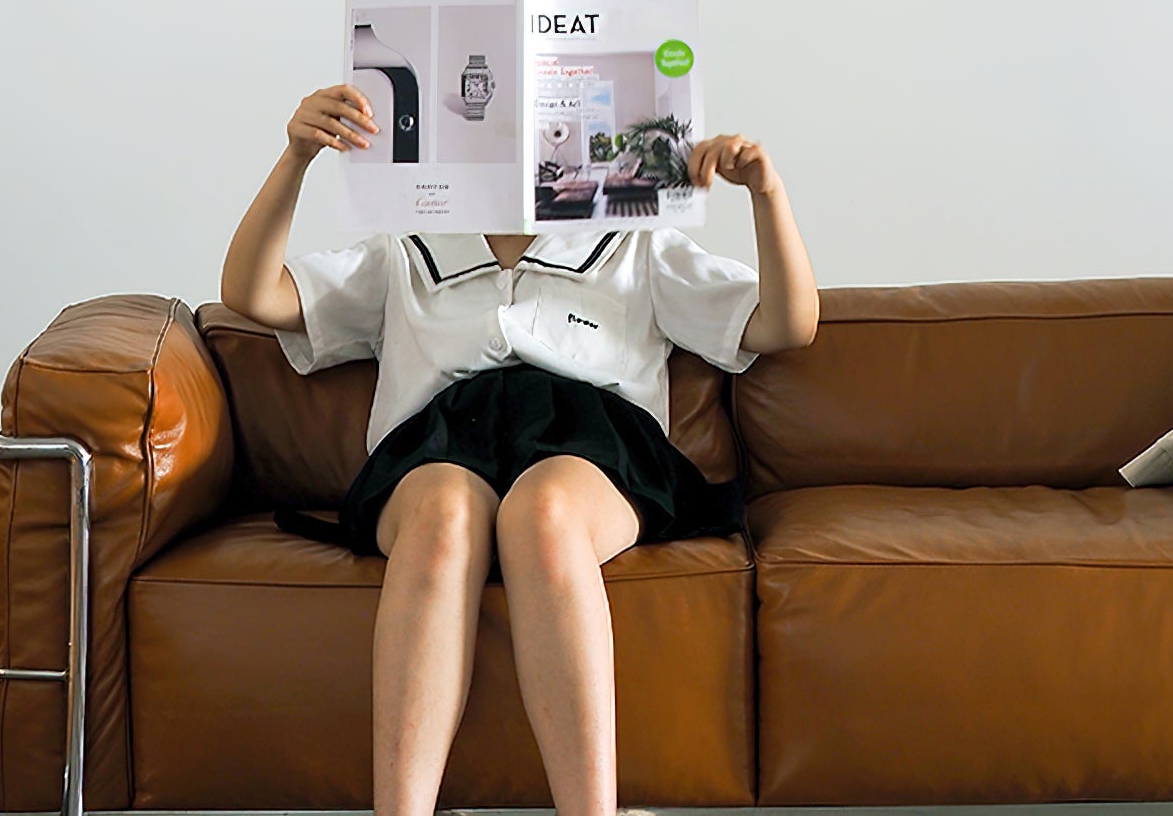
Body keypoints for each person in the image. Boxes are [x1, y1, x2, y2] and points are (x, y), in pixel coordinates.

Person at [220, 82, 820, 816]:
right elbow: (253, 293)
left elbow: (787, 323)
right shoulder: (408, 246)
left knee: (543, 512)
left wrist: (766, 193)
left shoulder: (635, 241)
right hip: (438, 448)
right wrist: (297, 156)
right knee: (443, 515)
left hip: (591, 447)